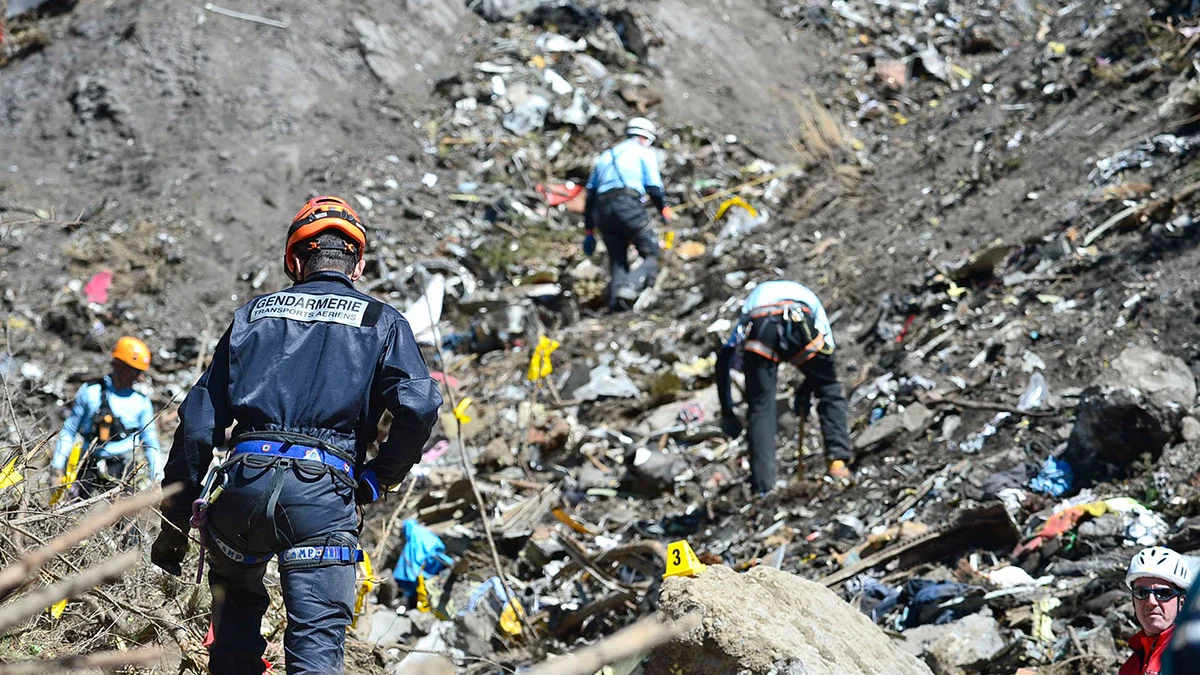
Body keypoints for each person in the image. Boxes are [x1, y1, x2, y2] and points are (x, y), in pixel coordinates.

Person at [150, 196, 443, 675]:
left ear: (295, 259)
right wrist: (378, 478)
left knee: (234, 631)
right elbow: (421, 404)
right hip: (322, 497)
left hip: (240, 487)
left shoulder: (253, 316)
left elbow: (199, 420)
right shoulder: (381, 321)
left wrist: (175, 523)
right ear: (358, 262)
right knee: (315, 649)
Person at [715, 280, 852, 493]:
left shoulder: (755, 300)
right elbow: (826, 359)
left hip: (761, 327)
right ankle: (838, 464)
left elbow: (724, 356)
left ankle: (763, 487)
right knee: (829, 389)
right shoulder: (808, 297)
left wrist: (727, 412)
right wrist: (812, 385)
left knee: (761, 408)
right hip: (800, 321)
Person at [582, 116, 674, 311]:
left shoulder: (605, 156)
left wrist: (589, 231)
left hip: (602, 212)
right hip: (626, 203)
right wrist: (663, 209)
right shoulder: (642, 151)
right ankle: (630, 287)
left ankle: (617, 306)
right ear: (645, 137)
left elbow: (589, 197)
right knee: (652, 254)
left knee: (618, 261)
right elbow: (653, 186)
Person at [51, 336, 161, 495]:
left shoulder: (141, 402)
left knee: (122, 517)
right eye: (133, 370)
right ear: (118, 364)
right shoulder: (90, 392)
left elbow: (151, 443)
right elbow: (69, 430)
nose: (137, 376)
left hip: (123, 469)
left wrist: (157, 478)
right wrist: (57, 467)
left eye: (139, 372)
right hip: (89, 464)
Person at [1121, 546, 1192, 675]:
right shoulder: (1130, 666)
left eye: (1164, 593)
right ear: (1133, 601)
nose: (1151, 602)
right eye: (1141, 593)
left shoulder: (1190, 656)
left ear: (1181, 603)